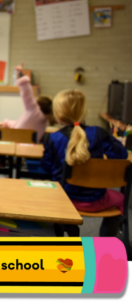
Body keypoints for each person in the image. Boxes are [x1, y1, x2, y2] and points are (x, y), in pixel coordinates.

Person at [41, 89, 128, 237]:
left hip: (64, 201)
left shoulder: (53, 138)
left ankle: (70, 230)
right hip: (97, 200)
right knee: (121, 200)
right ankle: (106, 241)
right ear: (84, 111)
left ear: (58, 113)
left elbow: (46, 169)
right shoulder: (99, 133)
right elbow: (122, 155)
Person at [0, 63, 55, 142]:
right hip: (31, 149)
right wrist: (5, 123)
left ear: (39, 104)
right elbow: (20, 125)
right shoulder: (44, 120)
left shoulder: (34, 110)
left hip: (16, 143)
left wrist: (20, 74)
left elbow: (27, 92)